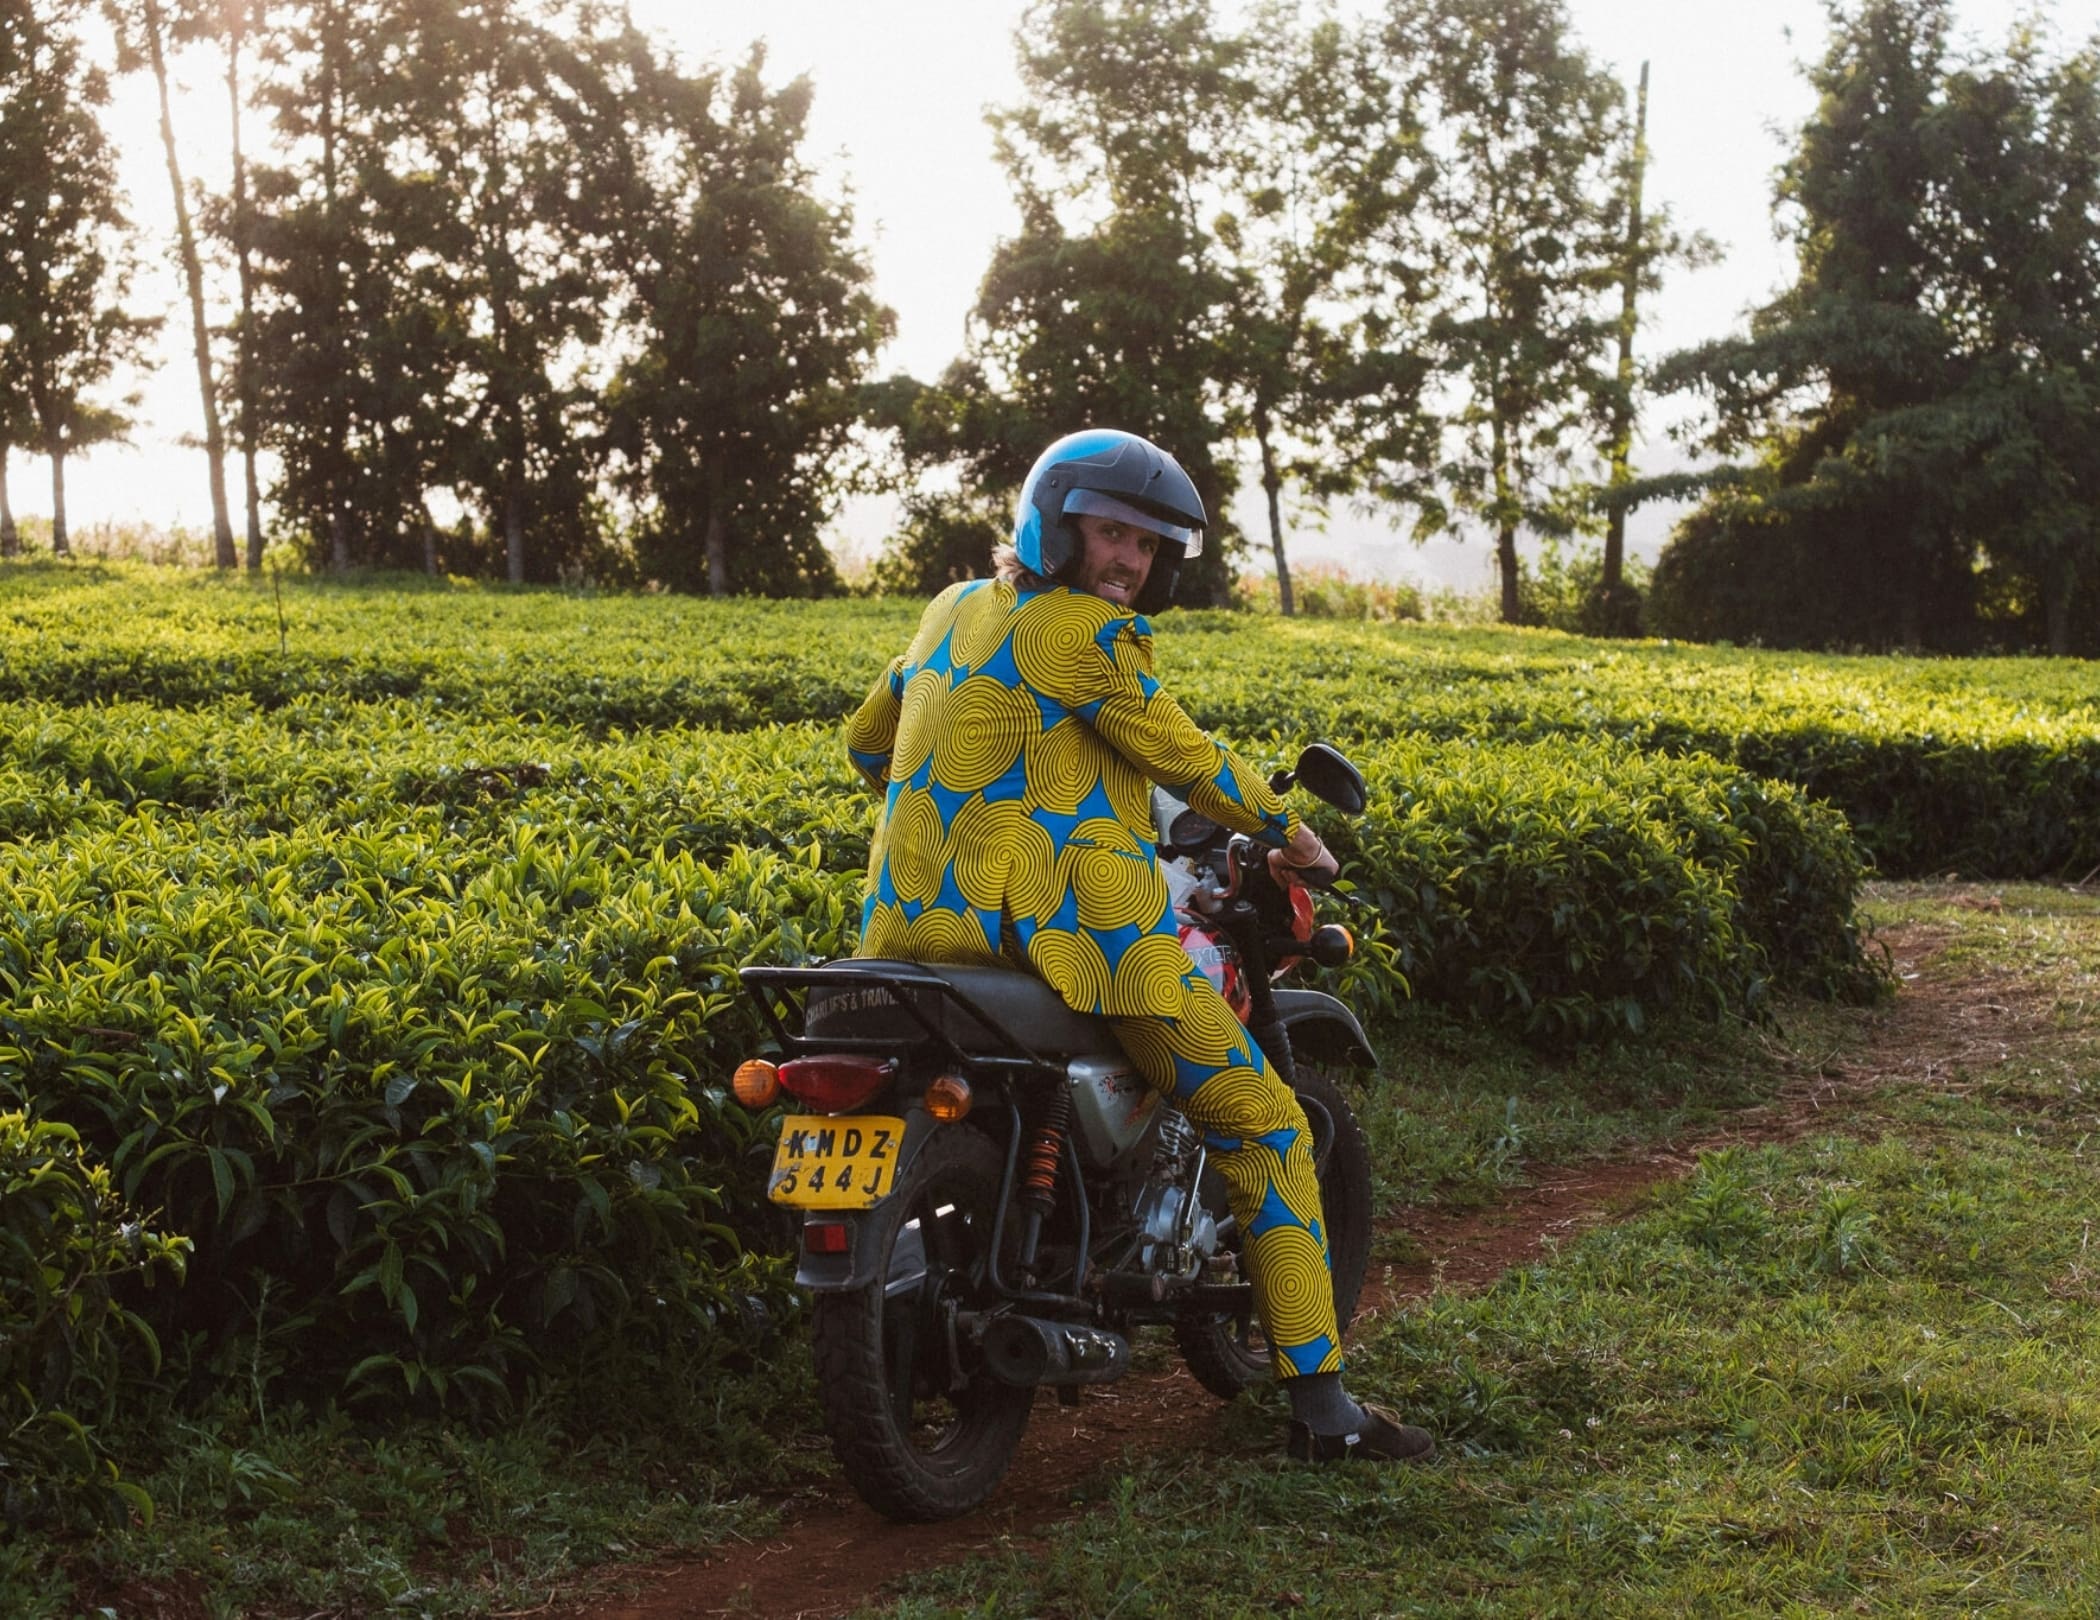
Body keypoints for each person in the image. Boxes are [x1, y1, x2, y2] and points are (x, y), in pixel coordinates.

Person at [843, 429, 1432, 1465]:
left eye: (1148, 546)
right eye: (1111, 533)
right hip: (1075, 939)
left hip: (911, 930)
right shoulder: (1087, 634)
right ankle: (1323, 1410)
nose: (1129, 561)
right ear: (1054, 525)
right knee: (1265, 1124)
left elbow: (864, 743)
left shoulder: (951, 608)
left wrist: (981, 787)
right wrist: (1294, 838)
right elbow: (1185, 757)